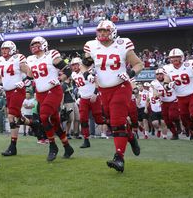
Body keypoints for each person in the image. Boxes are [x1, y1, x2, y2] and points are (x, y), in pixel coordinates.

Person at [82, 20, 143, 172]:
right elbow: (84, 65)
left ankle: (119, 158)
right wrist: (86, 74)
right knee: (110, 120)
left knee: (116, 120)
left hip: (121, 87)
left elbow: (139, 64)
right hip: (104, 90)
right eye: (100, 31)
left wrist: (129, 73)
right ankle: (130, 137)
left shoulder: (123, 43)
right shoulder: (92, 45)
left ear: (113, 31)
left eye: (105, 31)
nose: (102, 33)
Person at [26, 36, 74, 162]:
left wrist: (59, 79)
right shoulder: (30, 59)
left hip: (53, 90)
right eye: (32, 44)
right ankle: (67, 146)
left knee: (43, 116)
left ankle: (53, 146)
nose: (34, 46)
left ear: (43, 44)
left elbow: (68, 70)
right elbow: (31, 77)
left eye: (37, 43)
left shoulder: (51, 55)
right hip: (40, 93)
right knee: (55, 121)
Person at [0, 40, 38, 156]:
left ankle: (13, 146)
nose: (4, 51)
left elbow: (30, 70)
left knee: (11, 116)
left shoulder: (18, 58)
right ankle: (34, 124)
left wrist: (25, 81)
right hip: (8, 91)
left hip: (17, 90)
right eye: (3, 49)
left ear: (12, 49)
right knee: (17, 116)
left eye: (6, 49)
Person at [70, 57, 105, 148]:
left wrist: (95, 93)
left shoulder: (88, 71)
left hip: (94, 97)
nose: (74, 67)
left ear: (80, 64)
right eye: (72, 65)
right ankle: (86, 140)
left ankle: (117, 126)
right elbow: (81, 86)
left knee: (99, 120)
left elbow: (97, 81)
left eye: (75, 65)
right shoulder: (73, 74)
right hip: (83, 99)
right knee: (83, 119)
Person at [151, 68, 181, 140]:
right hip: (164, 102)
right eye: (157, 74)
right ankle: (174, 134)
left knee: (172, 116)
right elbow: (155, 94)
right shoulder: (154, 83)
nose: (159, 76)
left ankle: (178, 124)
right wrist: (157, 95)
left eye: (161, 74)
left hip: (173, 100)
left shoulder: (170, 80)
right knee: (167, 121)